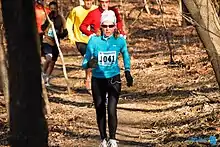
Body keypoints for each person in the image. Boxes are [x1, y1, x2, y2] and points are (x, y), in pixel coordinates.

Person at [82, 10, 133, 147]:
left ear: (115, 26)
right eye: (105, 26)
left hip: (114, 78)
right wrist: (89, 64)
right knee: (100, 108)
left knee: (111, 109)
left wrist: (127, 71)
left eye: (111, 26)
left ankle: (113, 138)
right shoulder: (94, 40)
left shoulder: (120, 40)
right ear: (101, 26)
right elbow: (85, 60)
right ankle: (103, 139)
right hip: (98, 80)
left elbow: (125, 54)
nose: (108, 29)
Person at [66, 0, 97, 92]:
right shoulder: (76, 10)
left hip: (94, 39)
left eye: (90, 0)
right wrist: (71, 35)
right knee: (89, 56)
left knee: (94, 60)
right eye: (86, 0)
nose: (88, 2)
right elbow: (69, 22)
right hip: (80, 40)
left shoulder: (96, 9)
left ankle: (91, 79)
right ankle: (88, 80)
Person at [41, 1, 68, 86]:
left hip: (55, 42)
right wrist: (47, 23)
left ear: (57, 9)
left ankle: (47, 78)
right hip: (47, 41)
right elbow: (42, 27)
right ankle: (42, 74)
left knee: (52, 62)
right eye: (51, 9)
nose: (53, 10)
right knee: (48, 58)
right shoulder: (48, 17)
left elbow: (65, 31)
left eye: (54, 9)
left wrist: (60, 34)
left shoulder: (61, 18)